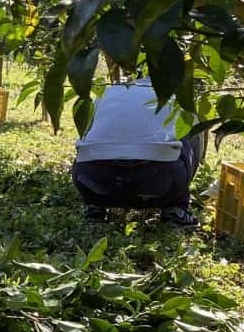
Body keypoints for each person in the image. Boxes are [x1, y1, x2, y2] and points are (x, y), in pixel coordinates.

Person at [71, 76, 204, 227]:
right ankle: (176, 208)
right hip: (162, 181)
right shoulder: (174, 95)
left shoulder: (107, 92)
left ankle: (94, 206)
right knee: (189, 129)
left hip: (92, 180)